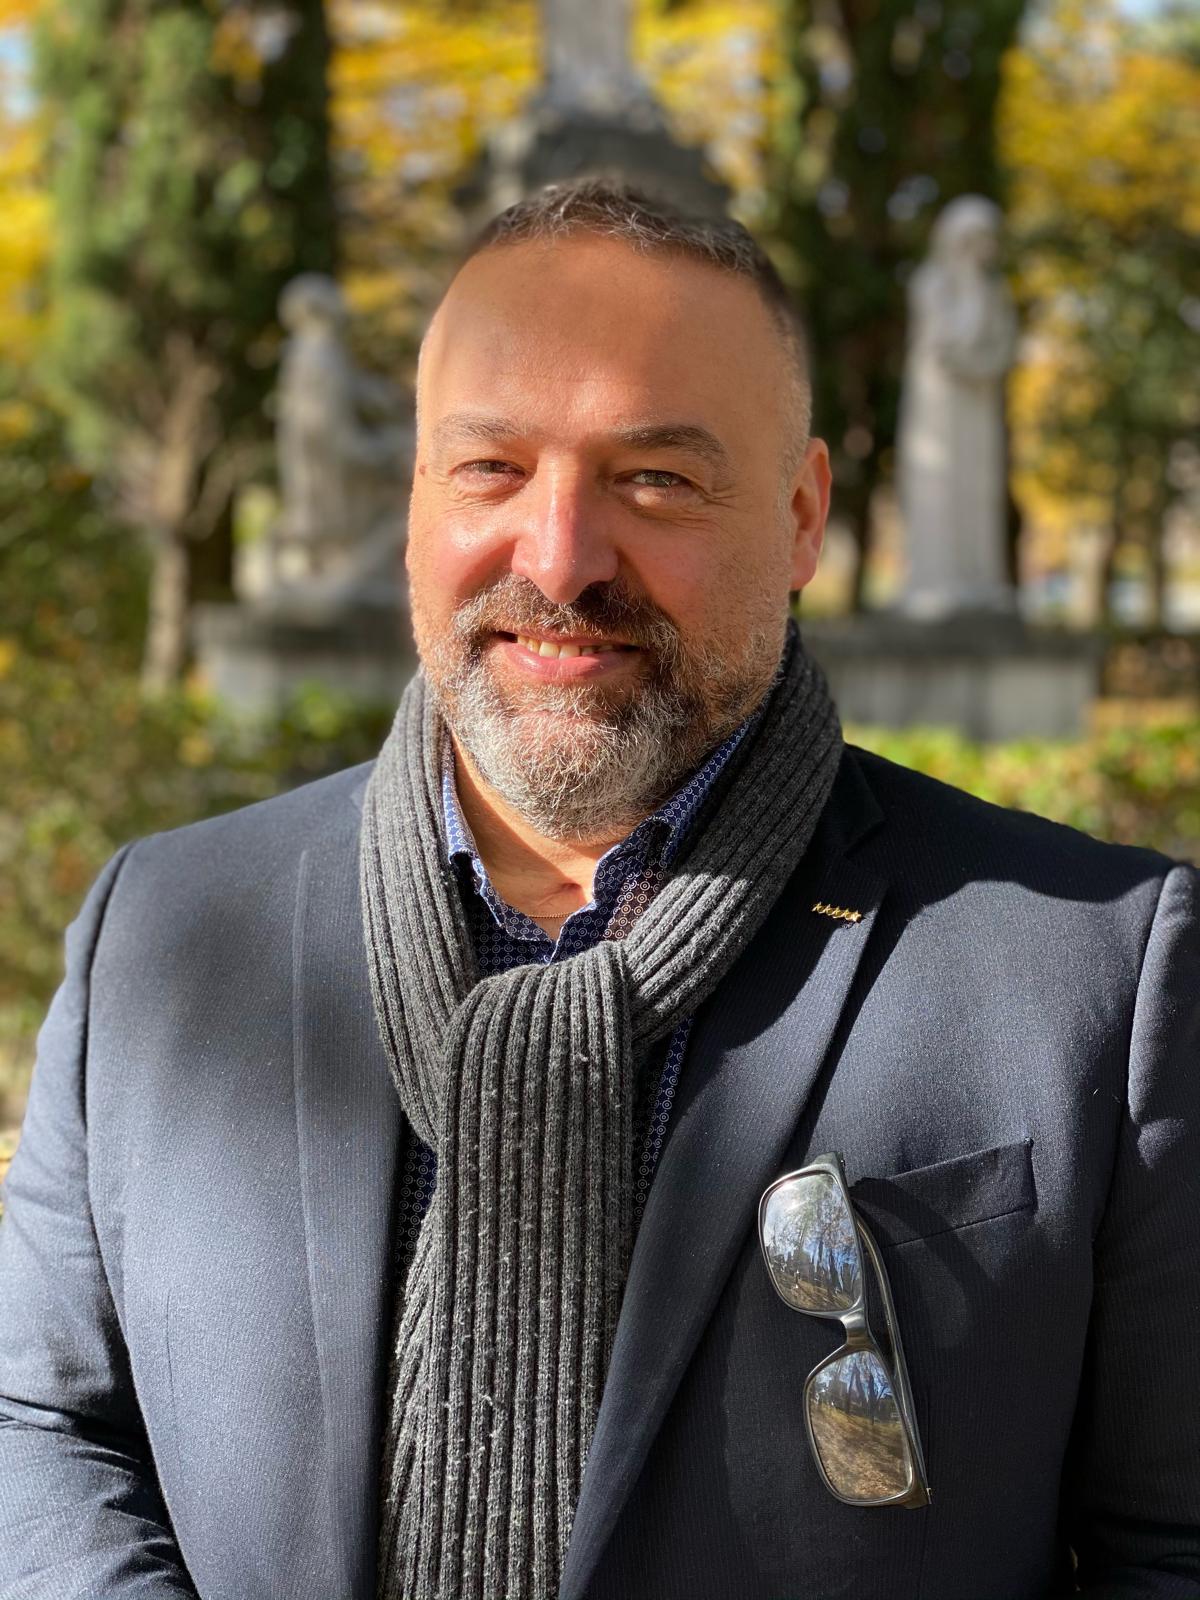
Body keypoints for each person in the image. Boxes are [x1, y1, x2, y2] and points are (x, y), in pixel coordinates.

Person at [0, 179, 1197, 1600]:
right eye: (490, 468)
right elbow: (43, 1424)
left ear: (802, 516)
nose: (560, 559)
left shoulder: (1094, 968)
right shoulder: (163, 932)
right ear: (414, 503)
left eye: (657, 479)